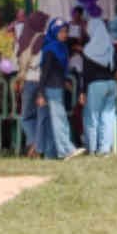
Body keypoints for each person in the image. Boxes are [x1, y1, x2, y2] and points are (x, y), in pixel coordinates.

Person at [35, 19, 85, 160]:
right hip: (51, 88)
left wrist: (64, 82)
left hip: (57, 87)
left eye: (66, 31)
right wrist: (40, 93)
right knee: (59, 119)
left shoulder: (60, 47)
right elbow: (45, 72)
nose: (64, 34)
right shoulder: (51, 49)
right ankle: (66, 150)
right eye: (61, 31)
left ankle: (51, 155)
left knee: (54, 121)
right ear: (54, 32)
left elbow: (58, 70)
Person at [79, 18, 117, 156]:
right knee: (108, 117)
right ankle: (105, 149)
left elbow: (86, 73)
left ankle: (92, 148)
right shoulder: (110, 46)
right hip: (111, 84)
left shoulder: (88, 49)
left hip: (95, 85)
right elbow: (115, 66)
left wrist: (82, 91)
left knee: (92, 117)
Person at [14, 10, 50, 156]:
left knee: (26, 116)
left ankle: (34, 143)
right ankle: (38, 146)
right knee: (42, 116)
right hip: (43, 82)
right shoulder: (47, 40)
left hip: (28, 81)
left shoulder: (22, 40)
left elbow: (15, 63)